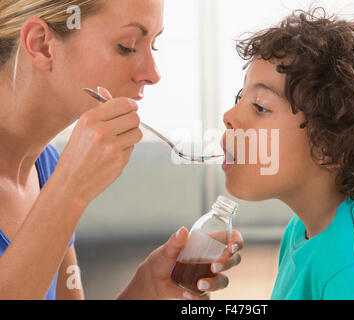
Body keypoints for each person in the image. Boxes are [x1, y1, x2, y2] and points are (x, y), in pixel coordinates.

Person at [0, 0, 243, 300]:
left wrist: (145, 290)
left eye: (153, 46)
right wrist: (70, 189)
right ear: (42, 45)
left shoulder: (48, 168)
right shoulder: (64, 182)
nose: (153, 74)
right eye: (127, 46)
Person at [221, 7, 354, 299]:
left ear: (330, 145)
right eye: (240, 98)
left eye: (261, 106)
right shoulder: (307, 227)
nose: (229, 116)